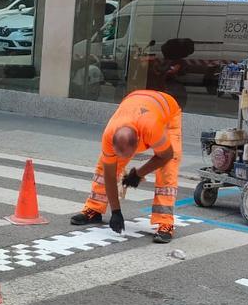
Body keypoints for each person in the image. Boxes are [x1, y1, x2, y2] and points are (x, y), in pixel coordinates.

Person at [71, 88, 182, 244]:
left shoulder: (152, 128)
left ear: (139, 143)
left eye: (129, 154)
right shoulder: (109, 134)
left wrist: (138, 174)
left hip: (168, 112)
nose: (125, 159)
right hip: (135, 101)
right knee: (103, 168)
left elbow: (166, 155)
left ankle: (165, 223)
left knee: (167, 170)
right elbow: (109, 175)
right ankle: (94, 209)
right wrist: (116, 211)